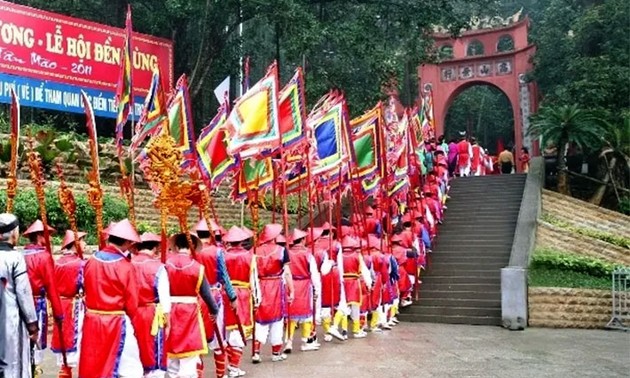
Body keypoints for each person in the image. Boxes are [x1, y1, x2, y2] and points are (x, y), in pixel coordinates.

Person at [79, 219, 143, 378]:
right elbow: (132, 303)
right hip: (116, 321)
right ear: (128, 242)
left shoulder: (91, 261)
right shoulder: (126, 266)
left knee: (94, 364)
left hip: (92, 320)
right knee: (131, 368)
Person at [165, 232, 219, 378]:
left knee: (171, 356)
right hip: (189, 313)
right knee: (189, 359)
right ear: (193, 246)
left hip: (168, 311)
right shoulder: (197, 267)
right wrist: (214, 310)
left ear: (175, 247)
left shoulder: (165, 265)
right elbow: (206, 294)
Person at [195, 219, 238, 378]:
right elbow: (224, 275)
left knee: (197, 338)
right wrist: (232, 296)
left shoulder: (193, 251)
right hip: (214, 295)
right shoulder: (217, 251)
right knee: (219, 338)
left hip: (195, 299)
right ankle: (220, 375)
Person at [21, 220, 64, 374]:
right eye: (48, 235)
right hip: (36, 303)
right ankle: (34, 370)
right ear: (40, 236)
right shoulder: (43, 256)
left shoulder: (20, 254)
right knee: (36, 340)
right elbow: (52, 286)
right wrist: (59, 313)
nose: (50, 238)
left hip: (19, 303)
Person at [0, 213, 39, 378]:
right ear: (14, 234)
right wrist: (32, 325)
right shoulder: (15, 258)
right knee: (12, 365)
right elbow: (23, 293)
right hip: (10, 321)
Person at [252, 224, 294, 363]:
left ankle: (256, 352)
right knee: (277, 319)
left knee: (260, 318)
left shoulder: (255, 251)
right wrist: (291, 290)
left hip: (259, 285)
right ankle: (275, 353)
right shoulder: (281, 250)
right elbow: (287, 273)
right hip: (276, 286)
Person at [131, 232, 171, 378]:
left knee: (134, 350)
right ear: (155, 248)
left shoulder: (128, 263)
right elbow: (165, 298)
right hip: (151, 314)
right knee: (153, 351)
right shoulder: (158, 267)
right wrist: (168, 322)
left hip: (131, 313)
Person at [222, 226, 260, 378]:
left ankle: (229, 365)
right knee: (238, 330)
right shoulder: (250, 257)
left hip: (225, 294)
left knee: (227, 330)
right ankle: (233, 366)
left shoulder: (222, 255)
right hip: (243, 295)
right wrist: (257, 299)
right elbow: (254, 281)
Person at [51, 230, 87, 377]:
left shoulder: (56, 262)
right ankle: (67, 370)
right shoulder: (80, 264)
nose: (85, 244)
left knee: (62, 336)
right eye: (83, 240)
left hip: (59, 303)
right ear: (76, 243)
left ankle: (64, 369)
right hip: (74, 304)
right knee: (74, 336)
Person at [285, 229, 321, 353]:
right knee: (307, 315)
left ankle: (289, 341)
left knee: (291, 314)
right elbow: (314, 273)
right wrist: (317, 288)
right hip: (305, 285)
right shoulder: (308, 254)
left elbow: (285, 272)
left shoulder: (287, 253)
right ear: (303, 240)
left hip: (290, 285)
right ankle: (305, 341)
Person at [330, 236, 372, 339]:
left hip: (343, 282)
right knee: (355, 307)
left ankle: (341, 328)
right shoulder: (357, 256)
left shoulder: (339, 256)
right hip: (354, 283)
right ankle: (356, 330)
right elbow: (364, 271)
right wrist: (369, 283)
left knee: (343, 305)